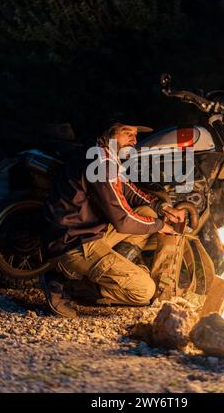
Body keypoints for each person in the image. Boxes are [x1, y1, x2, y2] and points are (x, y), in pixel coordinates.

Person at [41, 122, 185, 318]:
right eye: (127, 133)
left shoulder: (103, 153)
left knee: (147, 213)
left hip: (87, 233)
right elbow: (123, 220)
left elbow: (128, 190)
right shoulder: (101, 164)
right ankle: (68, 284)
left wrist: (161, 207)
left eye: (135, 135)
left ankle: (108, 270)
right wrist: (160, 225)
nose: (134, 140)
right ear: (108, 133)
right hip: (74, 245)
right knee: (144, 291)